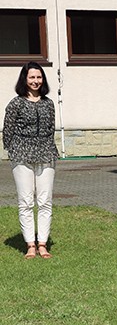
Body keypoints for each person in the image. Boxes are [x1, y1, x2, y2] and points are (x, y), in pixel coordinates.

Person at [4, 62, 59, 258]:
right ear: (25, 79)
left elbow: (51, 129)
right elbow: (8, 130)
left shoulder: (48, 103)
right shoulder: (16, 103)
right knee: (26, 201)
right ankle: (30, 245)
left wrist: (47, 147)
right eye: (32, 77)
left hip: (46, 154)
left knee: (45, 201)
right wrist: (13, 150)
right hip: (22, 155)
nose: (36, 81)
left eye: (39, 77)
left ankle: (42, 243)